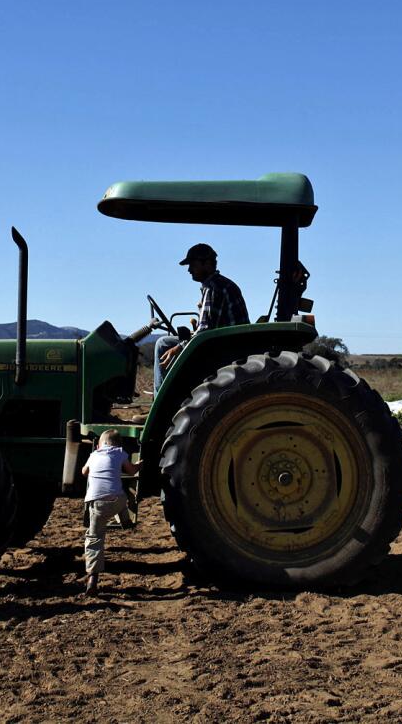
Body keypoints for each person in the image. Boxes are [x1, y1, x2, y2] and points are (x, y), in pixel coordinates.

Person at [153, 243, 249, 392]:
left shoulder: (214, 287)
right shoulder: (218, 284)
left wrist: (179, 347)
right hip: (225, 343)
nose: (189, 270)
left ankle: (160, 404)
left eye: (193, 264)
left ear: (207, 263)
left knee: (163, 345)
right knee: (168, 342)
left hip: (226, 349)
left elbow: (205, 330)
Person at [80, 429, 140, 594]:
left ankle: (93, 577)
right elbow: (132, 471)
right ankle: (125, 520)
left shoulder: (94, 454)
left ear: (99, 445)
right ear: (118, 445)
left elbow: (84, 472)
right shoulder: (121, 453)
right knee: (122, 497)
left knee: (95, 538)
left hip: (97, 504)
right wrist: (140, 464)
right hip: (117, 502)